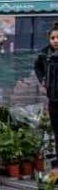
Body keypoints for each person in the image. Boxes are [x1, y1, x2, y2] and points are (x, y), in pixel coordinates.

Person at [35, 23, 58, 160]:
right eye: (52, 38)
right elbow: (37, 67)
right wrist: (43, 79)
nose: (55, 40)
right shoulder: (44, 54)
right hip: (53, 100)